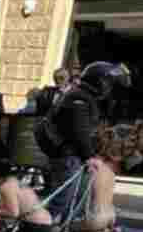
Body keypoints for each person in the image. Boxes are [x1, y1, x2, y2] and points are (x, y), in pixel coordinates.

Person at [47, 62, 130, 223]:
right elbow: (79, 131)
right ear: (98, 82)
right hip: (67, 155)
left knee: (78, 195)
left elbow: (85, 130)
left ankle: (65, 227)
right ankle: (39, 226)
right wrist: (90, 156)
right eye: (108, 83)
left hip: (74, 155)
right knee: (64, 196)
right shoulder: (79, 99)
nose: (109, 88)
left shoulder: (84, 97)